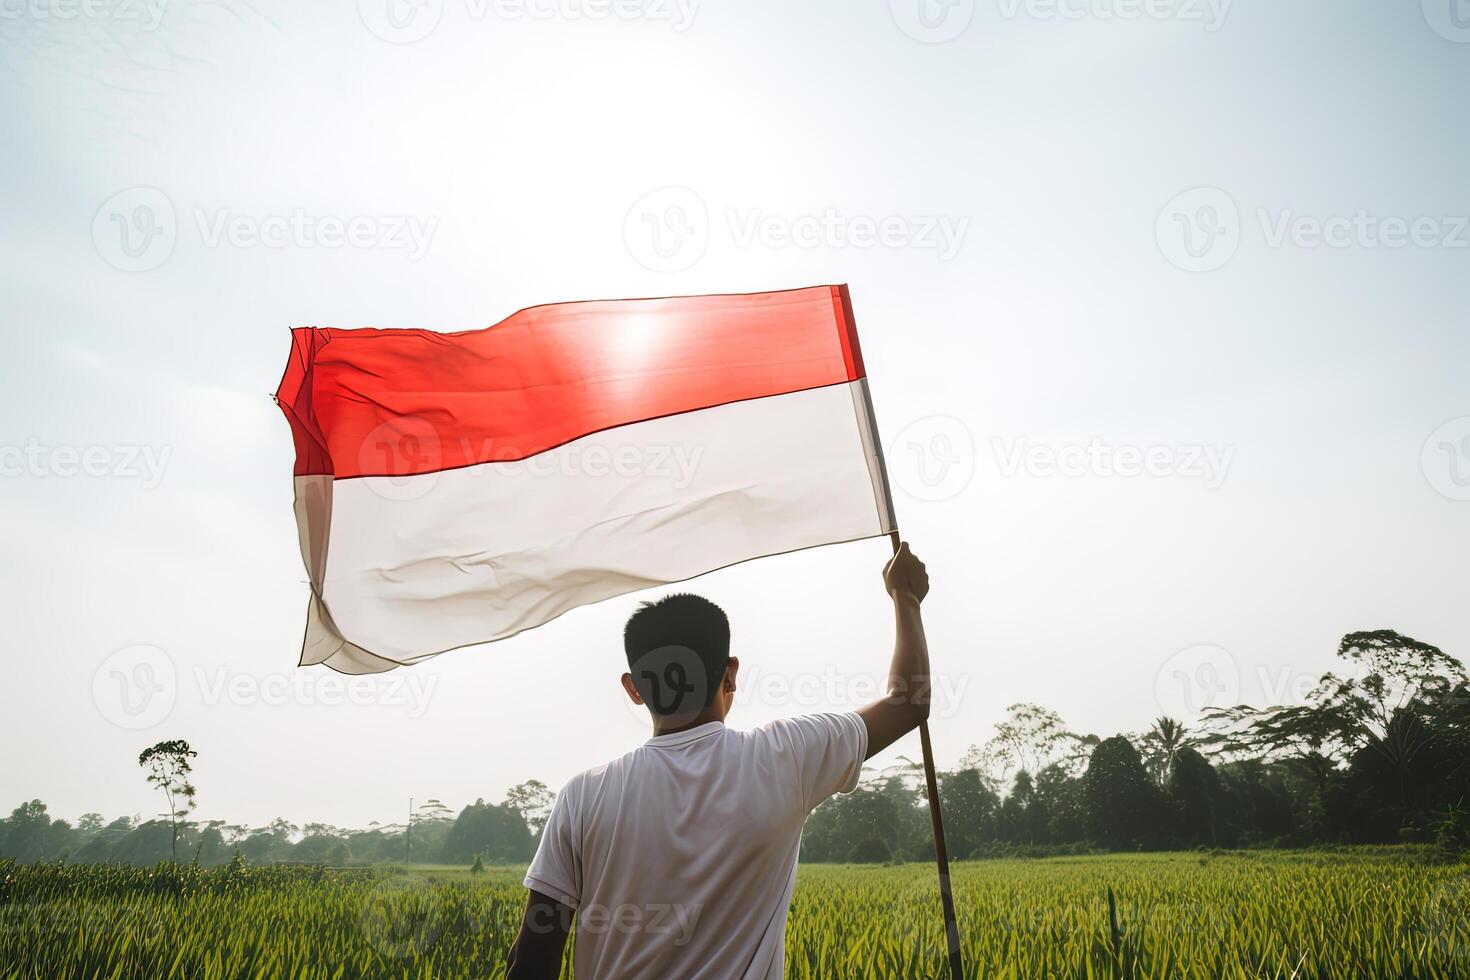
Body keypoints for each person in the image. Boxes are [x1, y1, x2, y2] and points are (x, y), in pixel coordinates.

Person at [505, 542, 931, 979]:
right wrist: (906, 597)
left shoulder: (582, 797)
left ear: (633, 688)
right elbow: (908, 702)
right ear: (730, 673)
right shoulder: (785, 757)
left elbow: (532, 961)